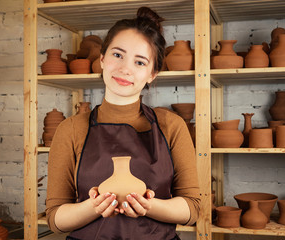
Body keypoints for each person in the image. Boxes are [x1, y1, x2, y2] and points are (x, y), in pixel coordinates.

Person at [45, 7, 200, 240]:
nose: (125, 69)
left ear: (152, 74)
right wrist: (93, 207)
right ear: (102, 59)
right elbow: (55, 219)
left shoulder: (172, 125)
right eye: (118, 55)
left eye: (140, 62)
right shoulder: (71, 129)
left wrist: (149, 206)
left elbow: (192, 209)